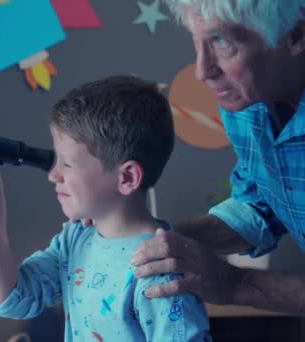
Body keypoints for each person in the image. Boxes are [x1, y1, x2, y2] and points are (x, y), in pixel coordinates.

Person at [0, 76, 211, 341]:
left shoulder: (161, 269)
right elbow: (10, 300)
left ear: (127, 178)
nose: (53, 174)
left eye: (67, 164)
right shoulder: (76, 239)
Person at [125, 0, 305, 315]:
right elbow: (261, 205)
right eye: (197, 43)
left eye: (222, 43)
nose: (201, 71)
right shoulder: (248, 102)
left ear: (297, 34)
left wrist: (234, 284)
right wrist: (155, 239)